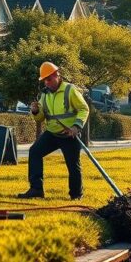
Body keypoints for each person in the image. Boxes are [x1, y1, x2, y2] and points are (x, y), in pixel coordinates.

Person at [16, 62, 90, 200]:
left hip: (69, 135)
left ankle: (76, 195)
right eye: (45, 80)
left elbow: (84, 109)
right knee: (34, 152)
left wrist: (76, 127)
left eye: (49, 79)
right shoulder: (45, 95)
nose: (47, 83)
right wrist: (36, 111)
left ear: (57, 75)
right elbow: (41, 118)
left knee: (73, 166)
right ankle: (36, 189)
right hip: (52, 133)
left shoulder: (70, 90)